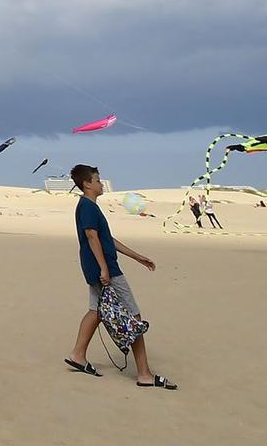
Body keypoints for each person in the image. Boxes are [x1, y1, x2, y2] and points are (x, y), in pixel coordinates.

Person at [64, 164, 174, 388]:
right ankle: (144, 374)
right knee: (133, 316)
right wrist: (104, 268)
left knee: (96, 311)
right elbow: (92, 237)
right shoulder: (87, 207)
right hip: (106, 271)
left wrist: (137, 256)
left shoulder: (90, 207)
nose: (101, 183)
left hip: (97, 268)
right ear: (87, 184)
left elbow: (107, 239)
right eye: (97, 180)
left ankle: (78, 355)